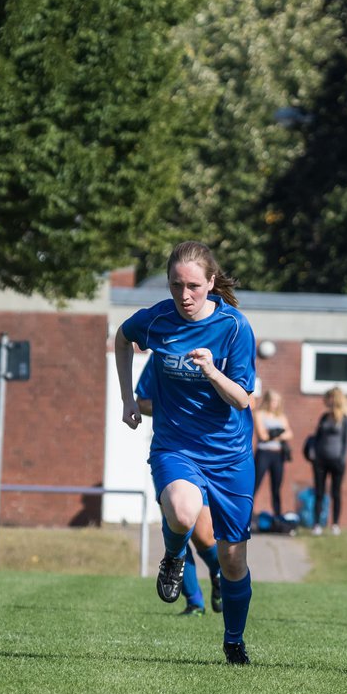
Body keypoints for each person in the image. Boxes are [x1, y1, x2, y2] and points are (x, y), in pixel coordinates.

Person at [114, 240, 257, 664]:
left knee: (233, 561)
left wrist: (213, 370)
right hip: (176, 446)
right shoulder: (156, 319)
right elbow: (121, 338)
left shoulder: (234, 327)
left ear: (212, 283)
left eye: (194, 285)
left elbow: (242, 400)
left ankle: (233, 640)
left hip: (230, 456)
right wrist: (127, 398)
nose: (185, 295)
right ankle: (173, 557)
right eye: (176, 285)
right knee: (181, 511)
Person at [136, 356, 223, 617]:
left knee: (203, 534)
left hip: (209, 455)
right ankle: (194, 601)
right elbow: (142, 400)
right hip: (173, 454)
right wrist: (171, 406)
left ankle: (219, 573)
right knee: (179, 520)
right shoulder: (164, 353)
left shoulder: (226, 349)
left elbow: (244, 398)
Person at [309, 386, 347, 536]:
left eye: (328, 398)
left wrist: (342, 459)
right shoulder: (324, 417)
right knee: (319, 493)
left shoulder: (346, 420)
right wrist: (313, 454)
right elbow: (317, 437)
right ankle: (317, 524)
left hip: (337, 461)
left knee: (336, 493)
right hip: (320, 461)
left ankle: (335, 524)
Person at [253, 388, 293, 518]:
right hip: (264, 453)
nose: (274, 404)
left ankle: (277, 516)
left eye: (277, 401)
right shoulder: (260, 414)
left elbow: (289, 434)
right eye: (272, 401)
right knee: (255, 484)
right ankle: (247, 514)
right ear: (267, 401)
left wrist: (273, 434)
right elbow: (262, 436)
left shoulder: (281, 416)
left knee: (276, 487)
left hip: (277, 455)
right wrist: (279, 432)